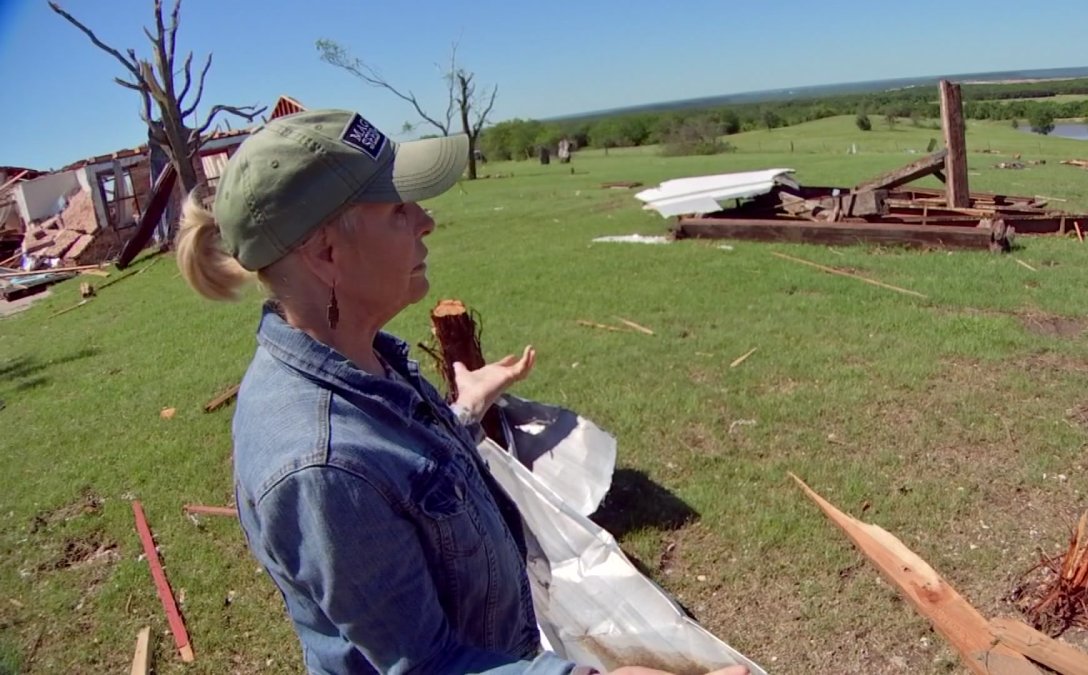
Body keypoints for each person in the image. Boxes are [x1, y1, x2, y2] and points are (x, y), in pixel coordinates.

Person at [174, 109, 749, 675]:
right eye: (399, 209)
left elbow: (404, 479)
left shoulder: (356, 358)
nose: (426, 220)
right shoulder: (321, 467)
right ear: (327, 253)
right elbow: (427, 665)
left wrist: (464, 413)